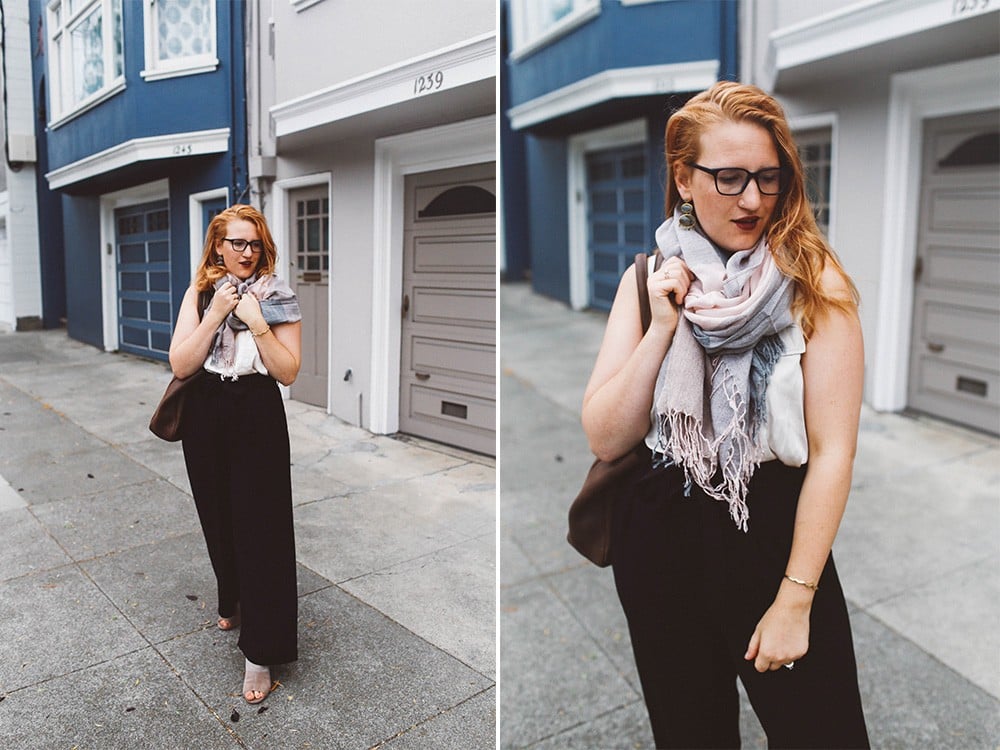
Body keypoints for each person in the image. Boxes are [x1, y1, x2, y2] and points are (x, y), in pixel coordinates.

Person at [581, 82, 870, 749]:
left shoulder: (814, 280)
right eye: (730, 177)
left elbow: (833, 452)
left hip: (770, 524)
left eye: (768, 179)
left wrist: (796, 598)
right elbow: (604, 432)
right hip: (658, 524)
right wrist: (659, 328)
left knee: (822, 733)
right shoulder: (646, 278)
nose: (751, 200)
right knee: (692, 734)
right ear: (684, 178)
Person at [168, 204, 302, 705]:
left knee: (261, 528)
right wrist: (217, 314)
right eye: (236, 243)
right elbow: (181, 362)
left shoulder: (279, 295)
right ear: (218, 247)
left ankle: (260, 653)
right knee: (218, 517)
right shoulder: (201, 291)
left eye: (254, 243)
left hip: (256, 411)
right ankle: (235, 598)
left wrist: (256, 322)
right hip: (206, 407)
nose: (246, 253)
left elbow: (288, 372)